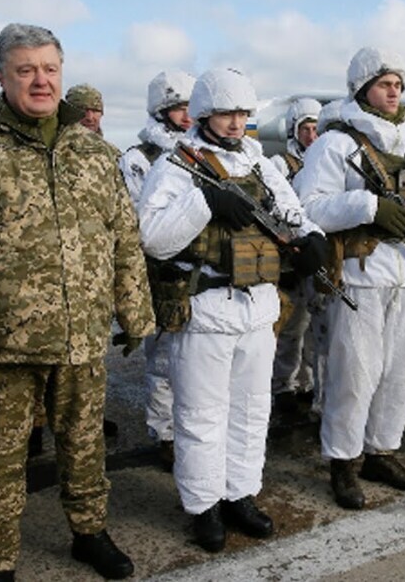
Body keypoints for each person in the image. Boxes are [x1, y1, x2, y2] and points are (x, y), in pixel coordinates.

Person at [0, 23, 154, 581]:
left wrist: (134, 310)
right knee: (1, 461)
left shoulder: (93, 152)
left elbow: (123, 236)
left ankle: (90, 532)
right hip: (4, 345)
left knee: (85, 444)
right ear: (3, 77)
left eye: (49, 68)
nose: (40, 80)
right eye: (25, 70)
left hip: (81, 337)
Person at [137, 67, 325, 553]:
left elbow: (292, 212)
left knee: (251, 409)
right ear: (204, 114)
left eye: (243, 113)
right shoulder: (177, 165)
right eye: (226, 114)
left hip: (257, 308)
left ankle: (240, 493)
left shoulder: (259, 162)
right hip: (205, 310)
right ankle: (204, 506)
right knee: (201, 415)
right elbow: (152, 238)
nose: (237, 123)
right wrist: (205, 202)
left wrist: (311, 238)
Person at [295, 47, 405, 510]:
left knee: (398, 373)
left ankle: (382, 451)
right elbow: (307, 209)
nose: (393, 92)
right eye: (385, 84)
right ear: (363, 88)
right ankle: (344, 461)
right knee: (354, 373)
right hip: (358, 276)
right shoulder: (336, 144)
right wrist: (368, 206)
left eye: (398, 85)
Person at [118, 69, 196, 472]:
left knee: (196, 361)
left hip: (199, 272)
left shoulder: (201, 152)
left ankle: (192, 430)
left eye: (191, 106)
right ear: (161, 110)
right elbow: (138, 222)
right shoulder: (138, 159)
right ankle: (165, 434)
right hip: (162, 272)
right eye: (180, 107)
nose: (188, 115)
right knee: (164, 359)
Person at [270, 97, 322, 416]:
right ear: (293, 130)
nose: (311, 136)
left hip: (315, 254)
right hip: (290, 258)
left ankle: (307, 381)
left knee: (315, 327)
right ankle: (283, 386)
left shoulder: (325, 162)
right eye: (305, 129)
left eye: (316, 129)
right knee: (291, 327)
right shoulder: (280, 165)